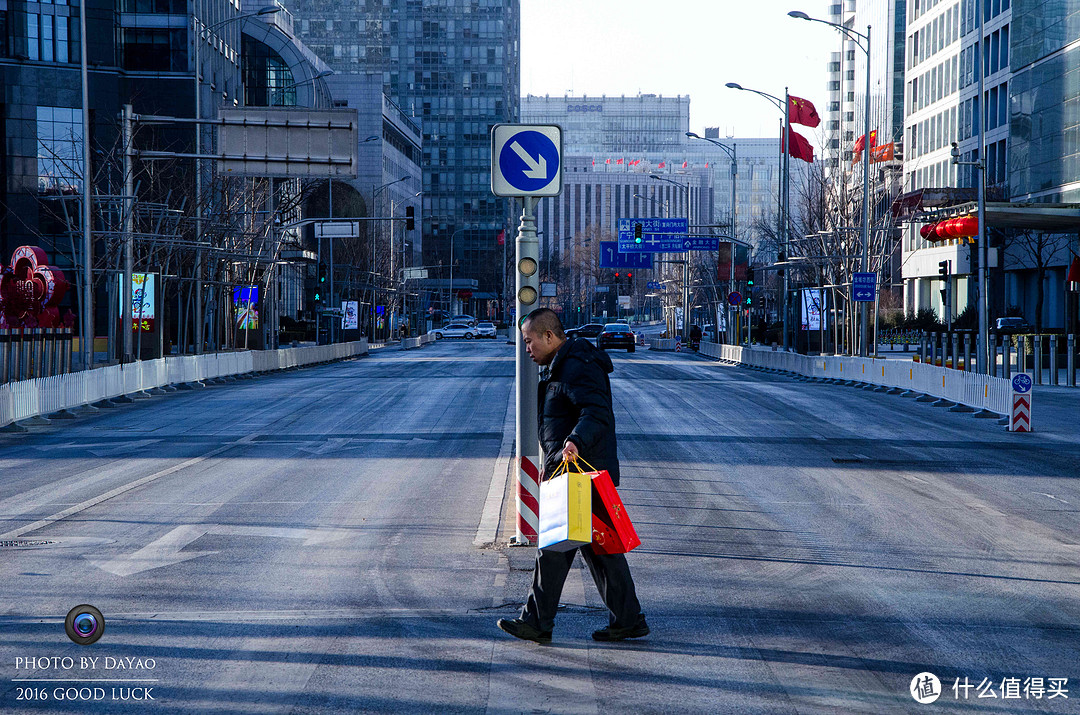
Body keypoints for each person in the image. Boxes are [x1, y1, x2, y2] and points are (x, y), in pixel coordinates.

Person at [497, 308, 648, 644]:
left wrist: (575, 441)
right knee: (600, 551)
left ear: (549, 336)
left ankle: (536, 622)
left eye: (529, 341)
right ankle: (627, 619)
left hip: (581, 474)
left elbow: (596, 411)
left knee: (554, 548)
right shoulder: (562, 366)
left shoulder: (577, 366)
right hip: (576, 473)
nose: (527, 349)